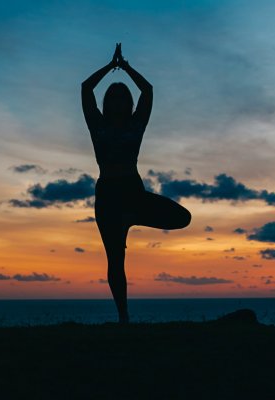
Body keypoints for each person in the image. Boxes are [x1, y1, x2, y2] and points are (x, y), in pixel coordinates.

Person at [81, 43, 191, 323]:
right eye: (113, 97)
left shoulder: (136, 124)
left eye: (122, 97)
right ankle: (123, 317)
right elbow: (85, 89)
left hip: (132, 191)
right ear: (107, 103)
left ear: (128, 103)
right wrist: (109, 66)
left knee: (183, 217)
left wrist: (126, 68)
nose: (117, 101)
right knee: (115, 260)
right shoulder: (97, 124)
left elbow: (148, 91)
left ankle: (133, 216)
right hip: (107, 195)